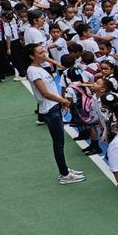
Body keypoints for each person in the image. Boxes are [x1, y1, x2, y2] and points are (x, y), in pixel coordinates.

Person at [26, 43, 86, 185]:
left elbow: (61, 66)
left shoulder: (40, 67)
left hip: (54, 107)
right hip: (50, 110)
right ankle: (64, 174)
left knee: (60, 142)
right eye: (40, 53)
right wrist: (63, 100)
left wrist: (47, 59)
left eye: (44, 51)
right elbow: (45, 93)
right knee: (58, 143)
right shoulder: (33, 71)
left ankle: (64, 170)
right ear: (31, 56)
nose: (44, 54)